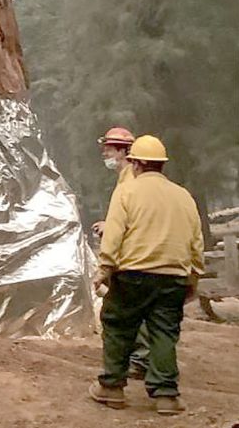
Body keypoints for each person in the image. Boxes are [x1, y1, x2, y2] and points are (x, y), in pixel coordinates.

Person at [88, 136, 204, 416]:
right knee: (164, 333)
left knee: (117, 326)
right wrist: (193, 278)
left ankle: (112, 387)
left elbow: (114, 234)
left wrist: (104, 270)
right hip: (173, 276)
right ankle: (166, 395)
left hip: (134, 275)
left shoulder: (127, 192)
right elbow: (196, 241)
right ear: (161, 165)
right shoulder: (183, 195)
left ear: (136, 163)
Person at [93, 126, 149, 378]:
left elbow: (134, 214)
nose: (104, 153)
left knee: (125, 311)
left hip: (134, 257)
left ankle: (138, 361)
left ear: (123, 151)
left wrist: (111, 228)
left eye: (109, 148)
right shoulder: (126, 177)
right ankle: (140, 359)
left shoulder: (132, 179)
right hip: (133, 254)